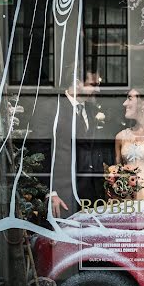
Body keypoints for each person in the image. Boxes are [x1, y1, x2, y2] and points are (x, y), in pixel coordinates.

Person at [50, 71, 107, 217]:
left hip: (92, 195)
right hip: (63, 195)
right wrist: (50, 192)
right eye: (93, 84)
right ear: (77, 82)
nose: (98, 90)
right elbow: (42, 149)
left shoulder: (91, 109)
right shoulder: (53, 107)